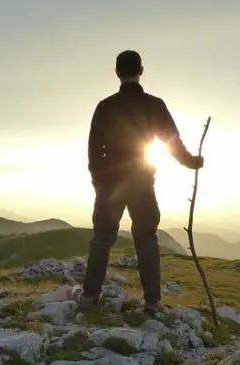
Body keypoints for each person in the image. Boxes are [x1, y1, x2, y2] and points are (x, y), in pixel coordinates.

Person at [79, 49, 204, 316]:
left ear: (116, 72)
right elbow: (172, 142)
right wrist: (191, 161)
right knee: (146, 238)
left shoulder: (105, 106)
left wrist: (98, 181)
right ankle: (152, 302)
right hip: (141, 181)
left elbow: (93, 149)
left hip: (109, 183)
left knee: (102, 237)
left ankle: (89, 298)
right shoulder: (154, 104)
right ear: (142, 70)